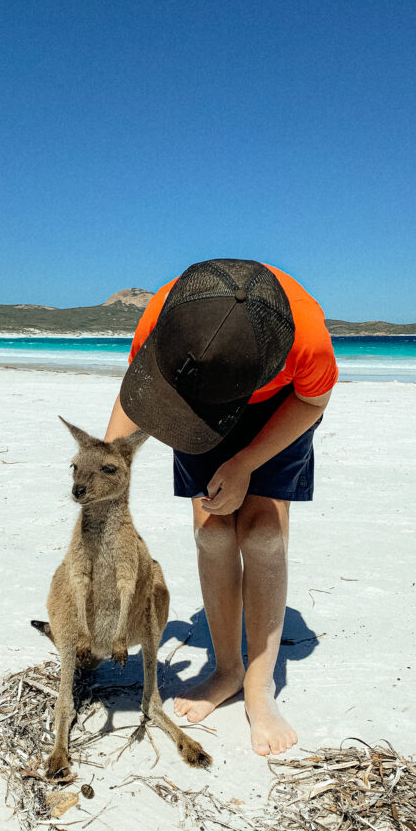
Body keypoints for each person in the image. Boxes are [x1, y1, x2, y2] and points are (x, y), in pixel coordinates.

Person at [104, 259, 338, 757]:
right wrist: (108, 474)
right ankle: (227, 668)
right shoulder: (167, 313)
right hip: (196, 401)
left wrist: (248, 462)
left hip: (279, 407)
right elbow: (138, 392)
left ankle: (259, 684)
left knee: (261, 534)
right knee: (212, 532)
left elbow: (313, 402)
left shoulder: (307, 334)